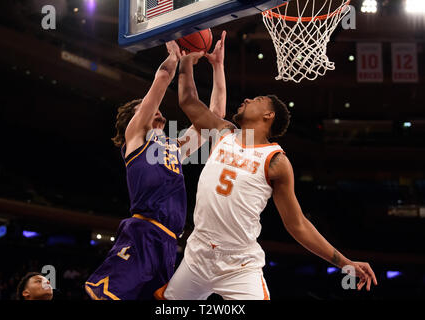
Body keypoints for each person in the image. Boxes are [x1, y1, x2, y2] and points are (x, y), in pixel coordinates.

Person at [155, 51, 378, 300]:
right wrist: (186, 59)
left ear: (268, 116)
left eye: (257, 99)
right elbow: (188, 100)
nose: (248, 99)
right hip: (197, 255)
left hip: (238, 266)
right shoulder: (224, 131)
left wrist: (344, 262)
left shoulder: (276, 161)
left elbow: (297, 224)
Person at [85, 34, 227, 300]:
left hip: (169, 242)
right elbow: (162, 78)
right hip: (143, 233)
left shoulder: (174, 146)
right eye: (150, 108)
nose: (158, 110)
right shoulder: (135, 137)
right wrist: (174, 55)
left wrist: (218, 67)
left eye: (158, 108)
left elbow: (215, 119)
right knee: (105, 296)